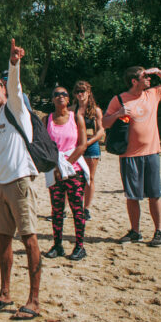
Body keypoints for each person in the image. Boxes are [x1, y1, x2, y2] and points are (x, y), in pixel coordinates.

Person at [0, 40, 42, 320]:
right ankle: (5, 294)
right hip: (3, 184)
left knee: (29, 239)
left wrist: (14, 63)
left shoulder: (15, 107)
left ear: (3, 89)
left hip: (20, 181)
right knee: (3, 241)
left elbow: (15, 85)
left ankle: (34, 300)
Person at [102, 65, 161, 248]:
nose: (149, 79)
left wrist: (158, 71)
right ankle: (135, 231)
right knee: (132, 196)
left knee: (155, 194)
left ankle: (158, 231)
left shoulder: (153, 94)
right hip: (129, 155)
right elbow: (104, 122)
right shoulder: (119, 99)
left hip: (151, 152)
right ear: (134, 81)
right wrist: (118, 114)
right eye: (145, 76)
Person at [43, 86, 89, 262]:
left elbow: (82, 145)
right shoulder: (47, 119)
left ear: (69, 99)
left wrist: (66, 166)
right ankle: (57, 244)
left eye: (64, 94)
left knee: (77, 208)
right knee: (57, 209)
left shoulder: (76, 118)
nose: (60, 97)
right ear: (53, 99)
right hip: (54, 169)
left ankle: (79, 245)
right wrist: (55, 166)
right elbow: (43, 145)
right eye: (56, 94)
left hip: (73, 170)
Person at [72, 81, 104, 220]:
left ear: (89, 92)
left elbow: (101, 130)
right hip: (75, 145)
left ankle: (86, 208)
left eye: (83, 91)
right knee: (71, 177)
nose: (80, 94)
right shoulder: (72, 109)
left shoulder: (95, 110)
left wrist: (88, 142)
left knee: (89, 178)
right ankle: (70, 207)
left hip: (91, 145)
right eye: (78, 91)